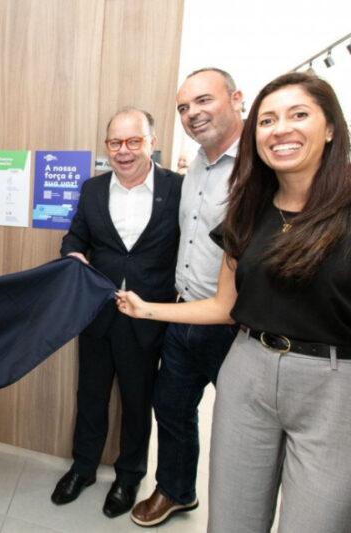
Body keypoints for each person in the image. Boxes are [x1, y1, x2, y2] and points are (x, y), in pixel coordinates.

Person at [117, 72, 351, 533]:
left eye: (298, 115)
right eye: (270, 120)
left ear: (329, 127)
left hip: (322, 375)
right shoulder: (241, 199)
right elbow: (223, 293)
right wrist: (148, 307)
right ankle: (175, 489)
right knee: (182, 423)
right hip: (222, 336)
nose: (281, 129)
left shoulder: (320, 200)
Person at [53, 108, 183, 518]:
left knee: (136, 400)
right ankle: (84, 468)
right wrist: (73, 252)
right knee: (89, 395)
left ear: (151, 142)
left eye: (133, 142)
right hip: (97, 313)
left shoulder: (178, 189)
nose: (123, 151)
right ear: (106, 145)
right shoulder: (92, 189)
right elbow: (76, 235)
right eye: (115, 143)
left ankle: (129, 478)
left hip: (147, 318)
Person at [130, 68, 244, 527]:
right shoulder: (196, 165)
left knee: (240, 430)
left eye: (203, 101)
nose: (192, 113)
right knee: (172, 408)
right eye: (183, 107)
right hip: (184, 311)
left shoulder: (260, 165)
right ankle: (176, 491)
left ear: (236, 98)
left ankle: (240, 514)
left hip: (238, 325)